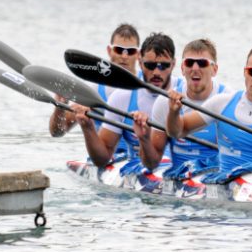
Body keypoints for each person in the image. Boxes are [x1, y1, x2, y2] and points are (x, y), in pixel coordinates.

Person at [166, 45, 252, 183]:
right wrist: (174, 112)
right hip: (225, 183)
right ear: (245, 72)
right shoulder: (221, 103)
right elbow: (178, 131)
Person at [74, 32, 183, 171]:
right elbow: (102, 160)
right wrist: (88, 128)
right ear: (140, 62)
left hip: (183, 170)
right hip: (139, 168)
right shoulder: (122, 97)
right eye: (150, 65)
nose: (156, 72)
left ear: (173, 64)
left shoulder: (185, 94)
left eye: (164, 66)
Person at [132, 38, 232, 179]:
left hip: (217, 178)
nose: (195, 68)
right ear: (182, 69)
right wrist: (144, 139)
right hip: (180, 178)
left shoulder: (227, 99)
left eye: (202, 63)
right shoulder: (164, 101)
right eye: (189, 63)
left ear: (214, 70)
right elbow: (151, 164)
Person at [49, 23, 140, 157]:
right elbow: (57, 132)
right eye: (119, 50)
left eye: (130, 51)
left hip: (142, 159)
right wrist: (60, 107)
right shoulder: (95, 92)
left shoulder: (148, 87)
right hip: (107, 159)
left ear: (138, 54)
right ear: (109, 51)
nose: (124, 56)